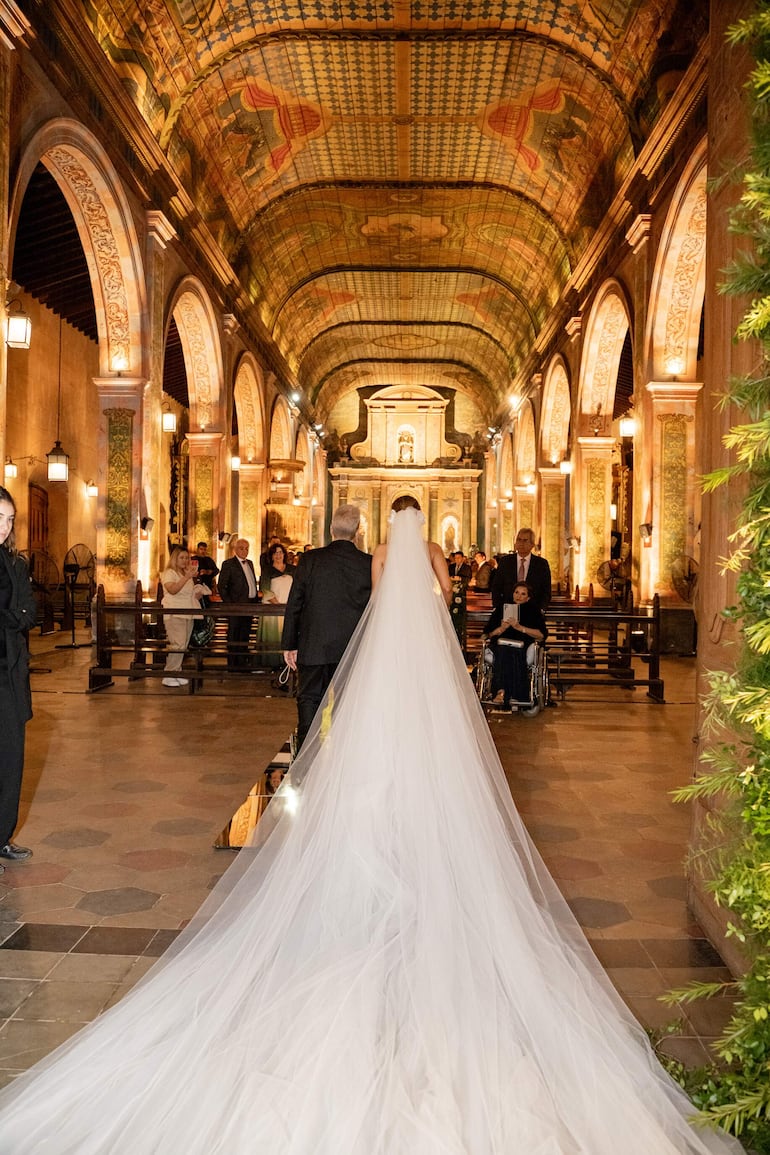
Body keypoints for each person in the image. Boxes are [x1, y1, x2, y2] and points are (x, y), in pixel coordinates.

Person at [0, 502, 742, 1155]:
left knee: (361, 743)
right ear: (425, 526)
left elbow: (377, 605)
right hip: (425, 661)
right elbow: (444, 602)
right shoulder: (428, 557)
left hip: (377, 659)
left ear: (388, 523)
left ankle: (363, 825)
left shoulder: (379, 556)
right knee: (433, 744)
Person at [281, 503, 371, 750]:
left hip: (314, 644)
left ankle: (307, 753)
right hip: (351, 648)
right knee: (348, 701)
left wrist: (289, 643)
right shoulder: (368, 563)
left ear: (331, 529)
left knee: (309, 698)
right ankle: (345, 752)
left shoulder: (310, 559)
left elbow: (295, 603)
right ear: (357, 531)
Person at [0, 487, 37, 868]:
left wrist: (7, 618)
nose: (4, 526)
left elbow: (29, 613)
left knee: (11, 758)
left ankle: (2, 836)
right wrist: (13, 617)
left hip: (8, 674)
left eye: (9, 519)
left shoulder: (15, 563)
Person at [484, 580, 547, 709]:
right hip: (500, 645)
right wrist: (501, 628)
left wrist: (520, 628)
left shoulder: (534, 611)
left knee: (510, 653)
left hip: (522, 646)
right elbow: (486, 635)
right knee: (503, 651)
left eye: (523, 594)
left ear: (528, 597)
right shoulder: (501, 609)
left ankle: (502, 692)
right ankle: (506, 692)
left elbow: (541, 635)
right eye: (516, 592)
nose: (519, 596)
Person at [159, 547, 208, 687]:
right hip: (175, 613)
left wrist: (198, 593)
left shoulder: (184, 573)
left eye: (187, 558)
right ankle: (169, 674)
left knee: (184, 644)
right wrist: (187, 577)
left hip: (187, 612)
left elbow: (186, 593)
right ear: (175, 558)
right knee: (178, 644)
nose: (185, 560)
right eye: (182, 557)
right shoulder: (169, 573)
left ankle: (177, 672)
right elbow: (172, 590)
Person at [218, 539, 260, 671]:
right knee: (234, 635)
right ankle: (233, 665)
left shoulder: (250, 563)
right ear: (235, 549)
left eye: (247, 548)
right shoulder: (228, 564)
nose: (245, 551)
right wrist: (230, 604)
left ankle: (243, 664)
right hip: (235, 606)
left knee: (245, 635)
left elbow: (250, 583)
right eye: (241, 548)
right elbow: (222, 586)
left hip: (249, 605)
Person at [491, 527, 552, 611]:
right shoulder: (505, 561)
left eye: (525, 540)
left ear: (532, 544)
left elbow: (546, 590)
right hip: (508, 609)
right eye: (519, 540)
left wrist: (542, 609)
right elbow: (496, 587)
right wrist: (497, 607)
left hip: (532, 610)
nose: (521, 543)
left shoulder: (541, 564)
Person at [260, 542, 294, 668]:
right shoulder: (267, 570)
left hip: (288, 608)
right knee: (272, 636)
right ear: (271, 556)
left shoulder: (292, 569)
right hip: (273, 608)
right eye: (275, 553)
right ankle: (271, 663)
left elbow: (298, 587)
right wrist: (277, 605)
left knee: (286, 634)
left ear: (284, 554)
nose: (278, 555)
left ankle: (287, 664)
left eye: (280, 552)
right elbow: (265, 589)